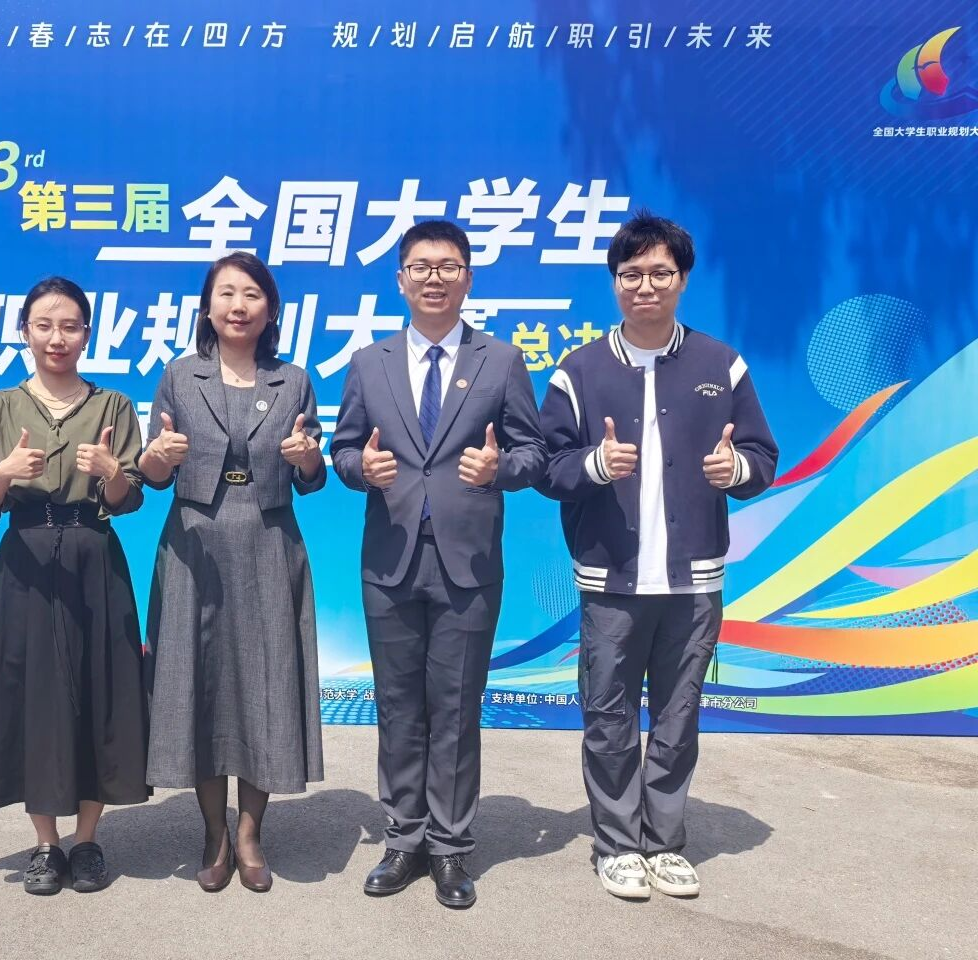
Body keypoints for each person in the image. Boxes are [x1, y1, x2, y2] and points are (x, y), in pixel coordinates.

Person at [536, 211, 778, 900]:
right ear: (614, 282)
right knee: (608, 713)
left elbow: (762, 456)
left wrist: (736, 468)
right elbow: (546, 465)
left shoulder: (720, 364)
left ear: (683, 279)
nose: (646, 286)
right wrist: (595, 464)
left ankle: (663, 841)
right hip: (611, 577)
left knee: (678, 714)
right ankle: (617, 844)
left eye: (660, 273)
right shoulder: (579, 370)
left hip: (692, 579)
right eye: (631, 274)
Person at [330, 220, 548, 909]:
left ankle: (451, 847)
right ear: (400, 279)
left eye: (448, 266)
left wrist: (500, 469)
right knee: (398, 706)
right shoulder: (369, 362)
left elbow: (533, 454)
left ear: (467, 278)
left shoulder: (500, 360)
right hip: (390, 561)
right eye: (421, 266)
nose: (434, 277)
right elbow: (342, 450)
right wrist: (360, 469)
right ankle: (402, 839)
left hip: (468, 564)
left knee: (454, 709)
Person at [0, 276, 150, 896]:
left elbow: (127, 499)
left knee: (100, 692)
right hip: (26, 560)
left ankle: (88, 840)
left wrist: (113, 472)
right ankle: (46, 845)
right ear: (25, 332)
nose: (56, 338)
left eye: (69, 326)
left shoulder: (114, 405)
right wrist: (5, 472)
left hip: (95, 557)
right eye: (44, 325)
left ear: (87, 334)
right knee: (33, 697)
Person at [141, 251, 325, 894]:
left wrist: (306, 458)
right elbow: (151, 473)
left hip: (269, 542)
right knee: (201, 684)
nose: (238, 305)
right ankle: (213, 833)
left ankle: (249, 834)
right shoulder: (179, 375)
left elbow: (313, 477)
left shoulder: (292, 380)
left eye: (251, 294)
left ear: (270, 309)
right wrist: (159, 456)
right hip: (195, 543)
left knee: (264, 686)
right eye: (226, 293)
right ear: (207, 307)